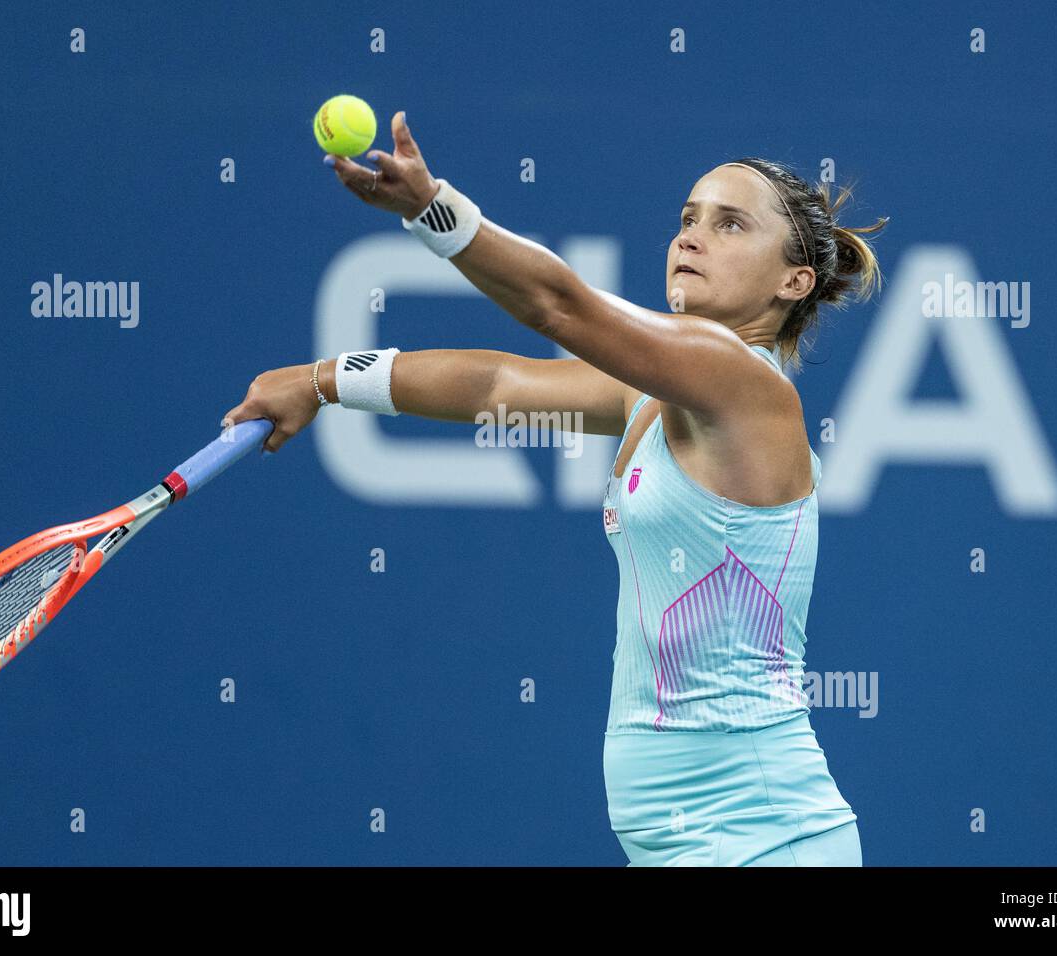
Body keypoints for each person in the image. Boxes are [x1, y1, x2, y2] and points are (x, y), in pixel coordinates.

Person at [223, 111, 887, 866]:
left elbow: (558, 306)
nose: (690, 237)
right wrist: (324, 379)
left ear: (792, 281)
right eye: (688, 218)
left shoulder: (738, 381)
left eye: (730, 225)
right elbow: (498, 385)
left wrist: (430, 208)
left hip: (764, 840)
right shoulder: (653, 396)